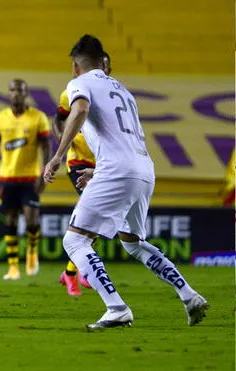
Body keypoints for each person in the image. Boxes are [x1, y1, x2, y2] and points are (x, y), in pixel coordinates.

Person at [43, 35, 209, 329]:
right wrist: (99, 171)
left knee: (75, 240)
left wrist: (58, 156)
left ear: (75, 66)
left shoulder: (78, 85)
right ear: (103, 62)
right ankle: (190, 296)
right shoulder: (123, 90)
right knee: (133, 243)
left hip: (118, 170)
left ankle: (116, 307)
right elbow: (125, 137)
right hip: (143, 168)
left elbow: (79, 110)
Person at [0, 79, 51, 280]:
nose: (16, 93)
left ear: (26, 93)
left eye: (20, 90)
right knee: (10, 221)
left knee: (31, 220)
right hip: (7, 178)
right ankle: (13, 267)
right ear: (8, 93)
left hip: (30, 178)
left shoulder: (38, 117)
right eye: (12, 90)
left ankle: (32, 254)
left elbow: (45, 146)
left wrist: (45, 172)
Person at [51, 52, 111, 296]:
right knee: (93, 214)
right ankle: (72, 274)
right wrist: (63, 143)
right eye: (101, 63)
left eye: (107, 64)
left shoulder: (111, 94)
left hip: (102, 163)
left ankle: (75, 271)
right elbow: (58, 120)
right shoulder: (72, 92)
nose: (104, 67)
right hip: (78, 162)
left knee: (97, 218)